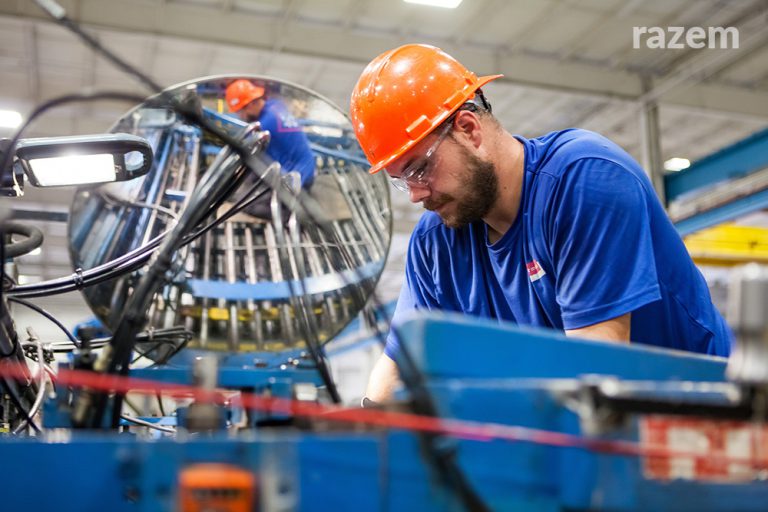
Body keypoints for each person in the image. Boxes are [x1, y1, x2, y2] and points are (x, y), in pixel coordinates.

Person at [349, 44, 733, 403]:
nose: (415, 194)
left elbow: (595, 369)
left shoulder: (584, 180)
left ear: (469, 129)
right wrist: (366, 430)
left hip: (702, 414)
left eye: (419, 169)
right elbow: (399, 364)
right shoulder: (436, 242)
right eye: (402, 180)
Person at [225, 79, 316, 217]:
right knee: (252, 177)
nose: (240, 116)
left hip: (297, 181)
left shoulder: (264, 126)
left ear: (250, 105)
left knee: (243, 204)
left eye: (240, 111)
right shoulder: (275, 106)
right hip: (306, 168)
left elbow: (246, 153)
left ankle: (296, 216)